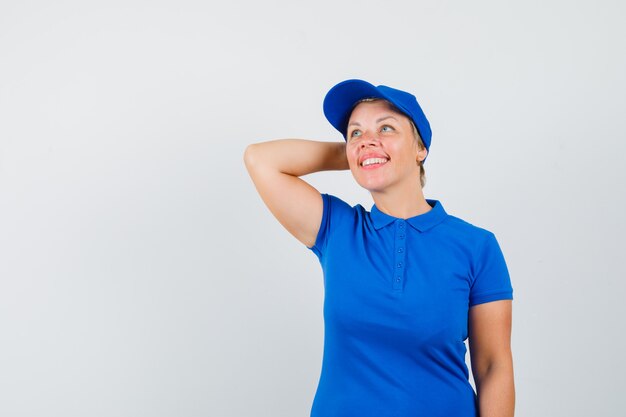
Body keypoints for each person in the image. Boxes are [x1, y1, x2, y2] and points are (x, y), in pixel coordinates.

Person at [243, 79, 515, 417]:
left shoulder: (476, 245)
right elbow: (260, 160)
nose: (367, 138)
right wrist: (364, 152)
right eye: (355, 132)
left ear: (421, 149)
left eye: (386, 127)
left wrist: (370, 147)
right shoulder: (337, 229)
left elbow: (493, 367)